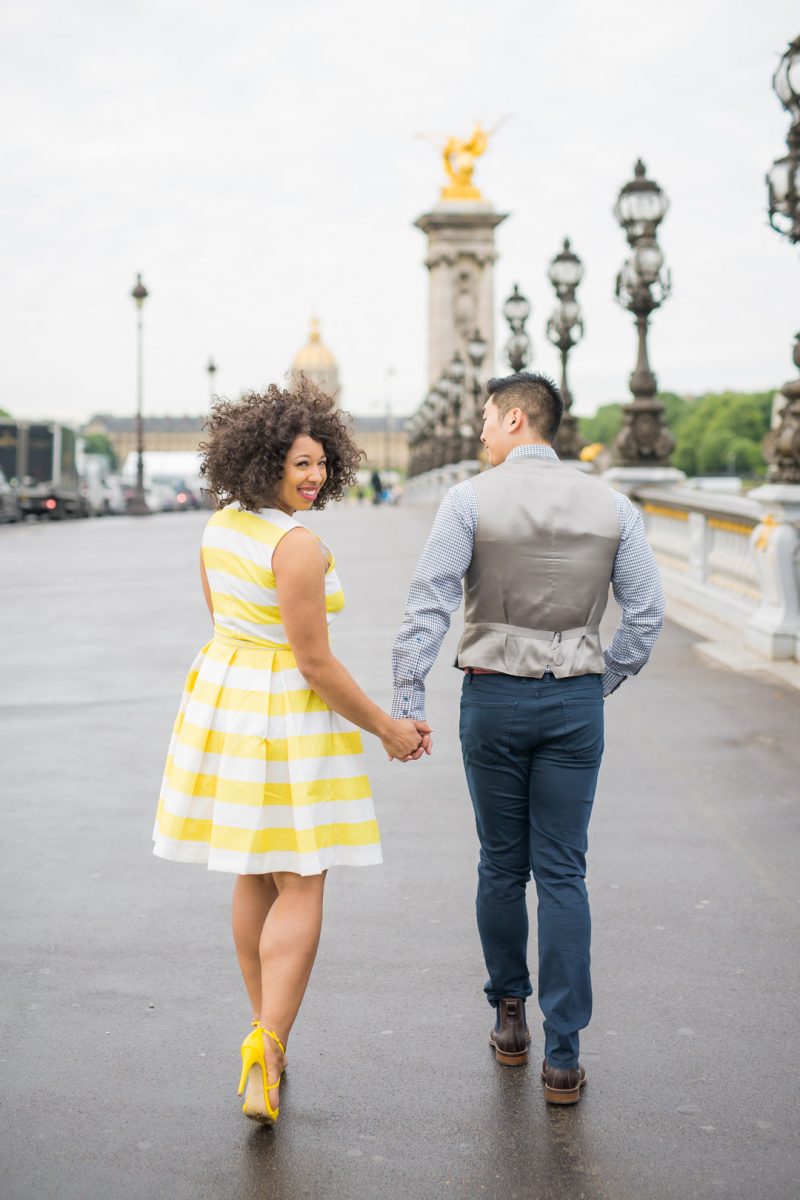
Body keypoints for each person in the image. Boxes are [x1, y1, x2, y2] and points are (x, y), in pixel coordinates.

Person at [153, 380, 430, 1126]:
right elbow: (313, 662)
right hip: (287, 718)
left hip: (227, 705)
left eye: (320, 463)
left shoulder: (220, 527)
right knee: (302, 880)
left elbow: (227, 622)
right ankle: (269, 1043)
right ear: (264, 461)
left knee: (253, 870)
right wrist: (386, 726)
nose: (313, 477)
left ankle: (263, 1034)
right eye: (299, 464)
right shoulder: (296, 545)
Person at [391, 371, 664, 1105]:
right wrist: (599, 680)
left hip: (494, 699)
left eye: (487, 417)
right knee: (565, 873)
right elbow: (645, 614)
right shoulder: (614, 505)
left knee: (501, 865)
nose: (480, 430)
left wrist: (409, 696)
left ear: (515, 419)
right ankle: (564, 1057)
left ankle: (510, 1016)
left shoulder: (467, 501)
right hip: (575, 700)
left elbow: (429, 602)